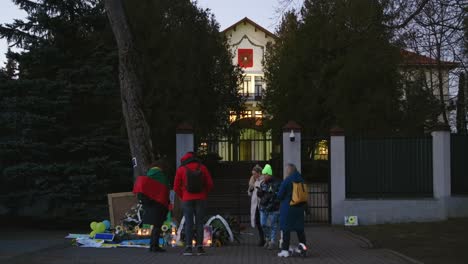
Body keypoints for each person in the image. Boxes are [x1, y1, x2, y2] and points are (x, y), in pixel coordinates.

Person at [174, 152, 214, 256]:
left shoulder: (181, 169)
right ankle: (200, 247)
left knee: (188, 223)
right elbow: (210, 184)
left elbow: (176, 187)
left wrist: (183, 196)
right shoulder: (203, 167)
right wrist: (204, 193)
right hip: (201, 198)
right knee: (200, 223)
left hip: (187, 199)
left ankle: (188, 247)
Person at [132, 161, 170, 253]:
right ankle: (154, 246)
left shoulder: (148, 175)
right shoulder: (161, 176)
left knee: (155, 226)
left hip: (150, 204)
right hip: (159, 203)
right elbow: (165, 189)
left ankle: (153, 246)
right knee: (157, 226)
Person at [277, 163, 307, 258]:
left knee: (286, 229)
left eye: (286, 170)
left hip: (288, 209)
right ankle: (303, 248)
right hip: (299, 208)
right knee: (300, 230)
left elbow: (280, 196)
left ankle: (285, 250)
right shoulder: (302, 180)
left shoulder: (287, 180)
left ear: (289, 171)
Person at [256, 164, 281, 250]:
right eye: (263, 174)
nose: (263, 176)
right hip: (263, 208)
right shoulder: (263, 183)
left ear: (269, 174)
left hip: (273, 208)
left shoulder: (277, 183)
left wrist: (272, 204)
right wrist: (259, 193)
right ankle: (268, 238)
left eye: (264, 174)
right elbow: (260, 195)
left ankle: (272, 242)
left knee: (273, 225)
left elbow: (277, 197)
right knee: (263, 224)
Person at [247, 164, 265, 246]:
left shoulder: (263, 180)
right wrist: (250, 189)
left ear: (259, 173)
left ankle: (264, 239)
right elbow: (249, 193)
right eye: (252, 174)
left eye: (254, 173)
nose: (253, 175)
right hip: (255, 205)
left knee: (262, 222)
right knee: (258, 222)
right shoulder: (253, 181)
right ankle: (262, 239)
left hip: (261, 204)